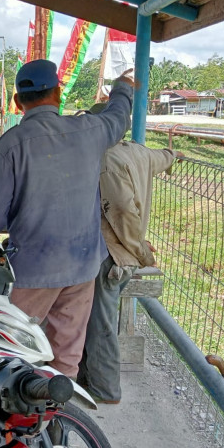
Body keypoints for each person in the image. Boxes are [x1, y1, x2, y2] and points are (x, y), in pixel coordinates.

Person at [0, 59, 133, 378]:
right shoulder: (90, 130)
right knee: (65, 355)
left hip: (32, 269)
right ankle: (52, 418)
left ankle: (10, 417)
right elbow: (119, 117)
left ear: (17, 101)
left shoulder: (11, 145)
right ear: (57, 93)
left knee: (9, 349)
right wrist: (123, 89)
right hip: (82, 265)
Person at [78, 135, 179, 403]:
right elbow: (163, 158)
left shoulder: (106, 159)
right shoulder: (138, 152)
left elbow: (122, 210)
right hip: (123, 255)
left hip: (112, 255)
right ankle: (86, 379)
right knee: (93, 317)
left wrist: (141, 251)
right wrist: (172, 155)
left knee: (101, 323)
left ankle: (104, 390)